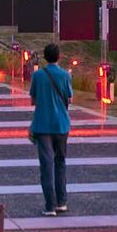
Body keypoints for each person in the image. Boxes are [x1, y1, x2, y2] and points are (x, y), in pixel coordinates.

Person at [28, 42, 73, 214]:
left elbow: (33, 99)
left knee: (46, 165)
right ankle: (62, 201)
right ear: (59, 56)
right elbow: (69, 98)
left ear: (45, 57)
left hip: (42, 125)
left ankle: (50, 206)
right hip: (61, 125)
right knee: (60, 163)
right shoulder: (65, 76)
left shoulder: (38, 75)